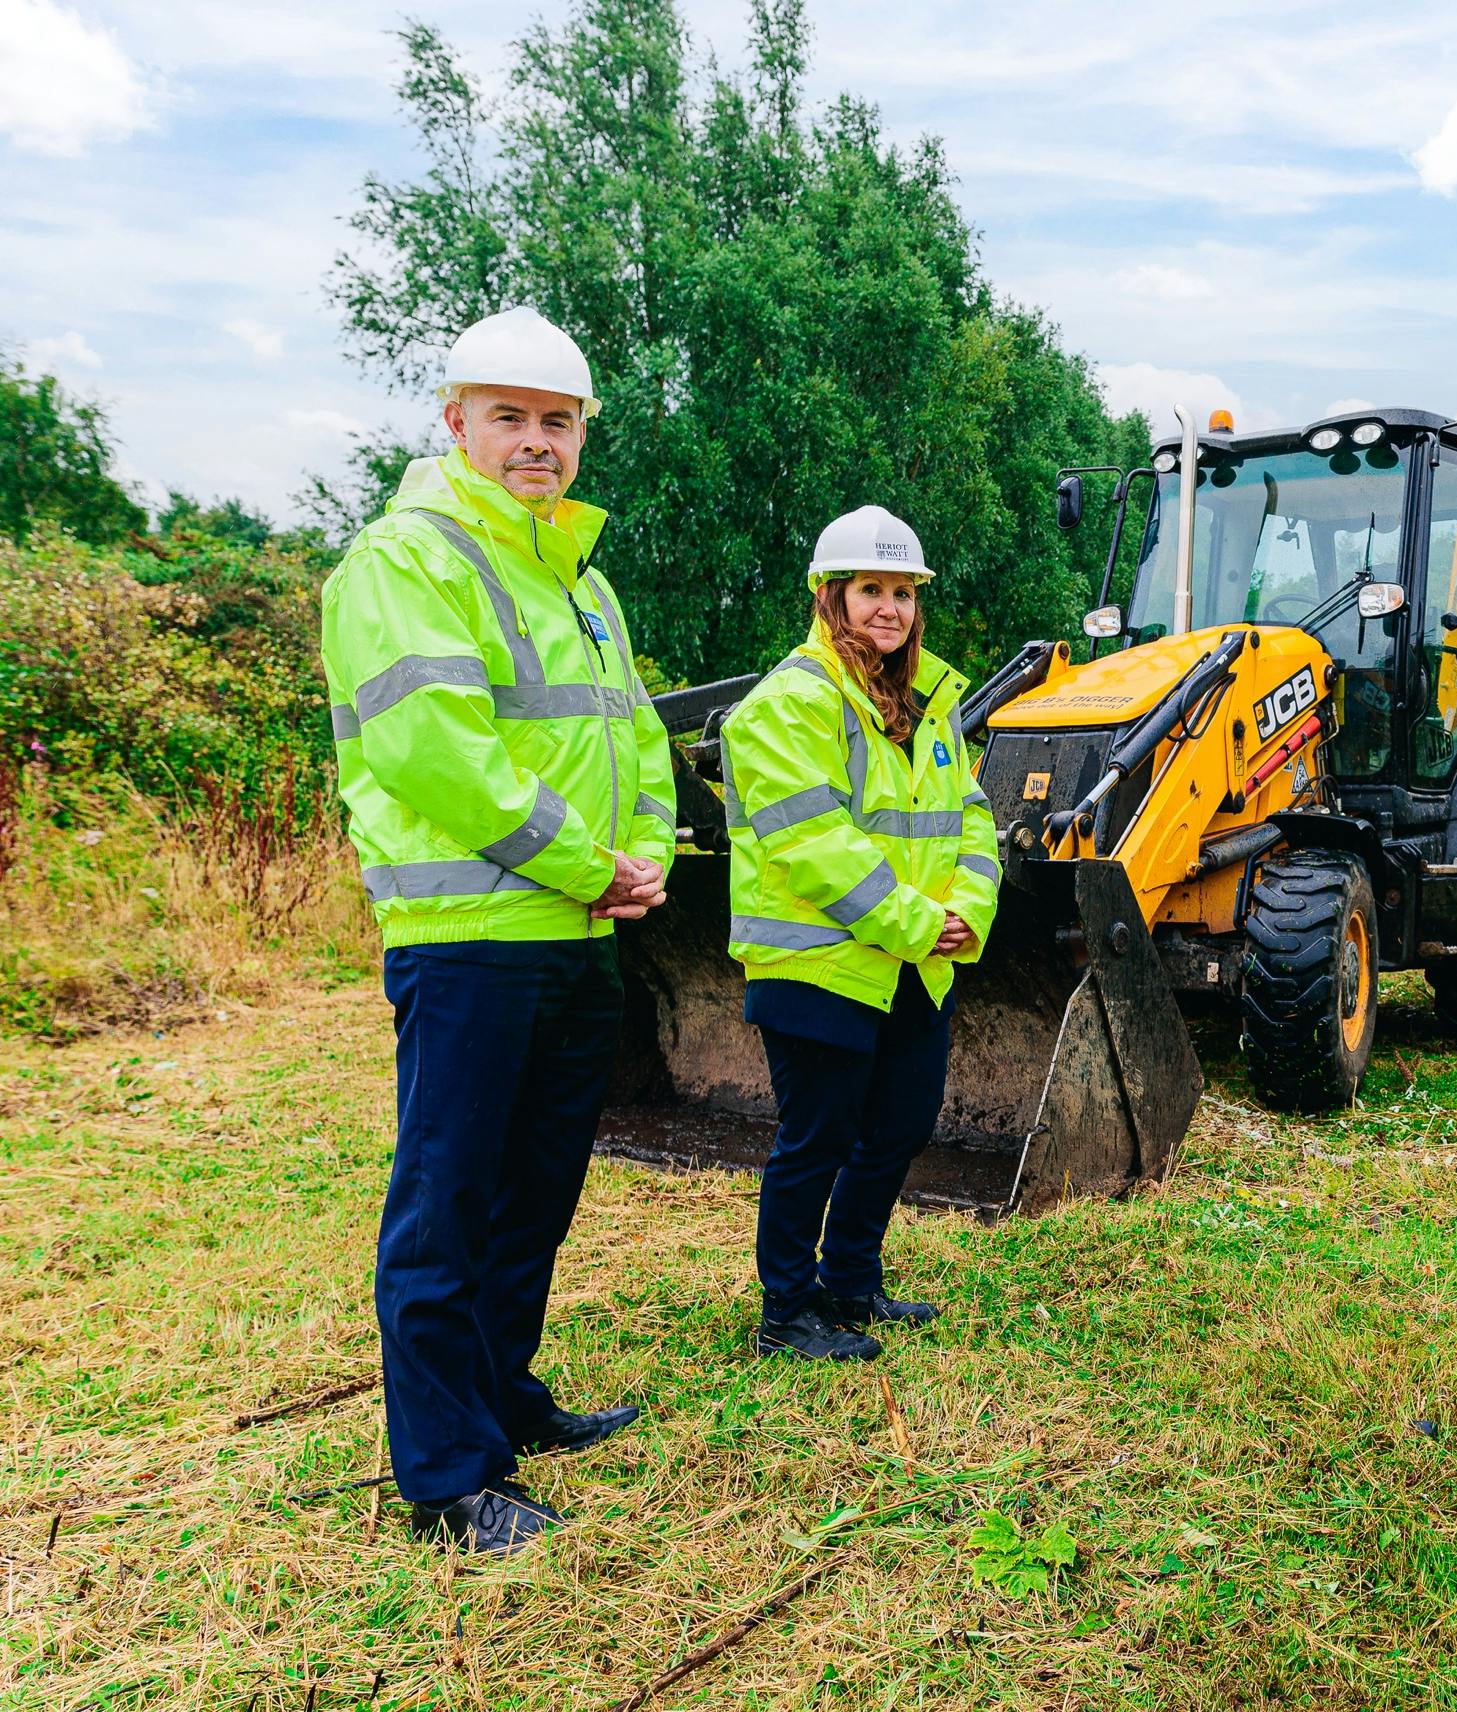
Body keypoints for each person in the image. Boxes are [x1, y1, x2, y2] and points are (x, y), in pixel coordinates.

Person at [321, 306, 675, 1555]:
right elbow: (439, 754)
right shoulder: (405, 557)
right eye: (511, 416)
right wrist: (593, 864)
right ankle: (448, 1472)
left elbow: (636, 734)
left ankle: (502, 1395)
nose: (537, 440)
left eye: (559, 421)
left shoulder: (580, 575)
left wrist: (644, 856)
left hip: (575, 934)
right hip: (472, 935)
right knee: (448, 1197)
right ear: (455, 420)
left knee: (535, 1191)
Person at [720, 505, 1001, 1363]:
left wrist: (972, 911)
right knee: (818, 1138)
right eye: (869, 590)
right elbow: (815, 846)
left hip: (914, 964)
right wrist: (923, 922)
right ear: (828, 597)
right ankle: (786, 1313)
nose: (888, 608)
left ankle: (850, 1281)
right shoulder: (787, 705)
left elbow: (975, 819)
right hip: (820, 965)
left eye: (902, 593)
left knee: (901, 1126)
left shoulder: (928, 705)